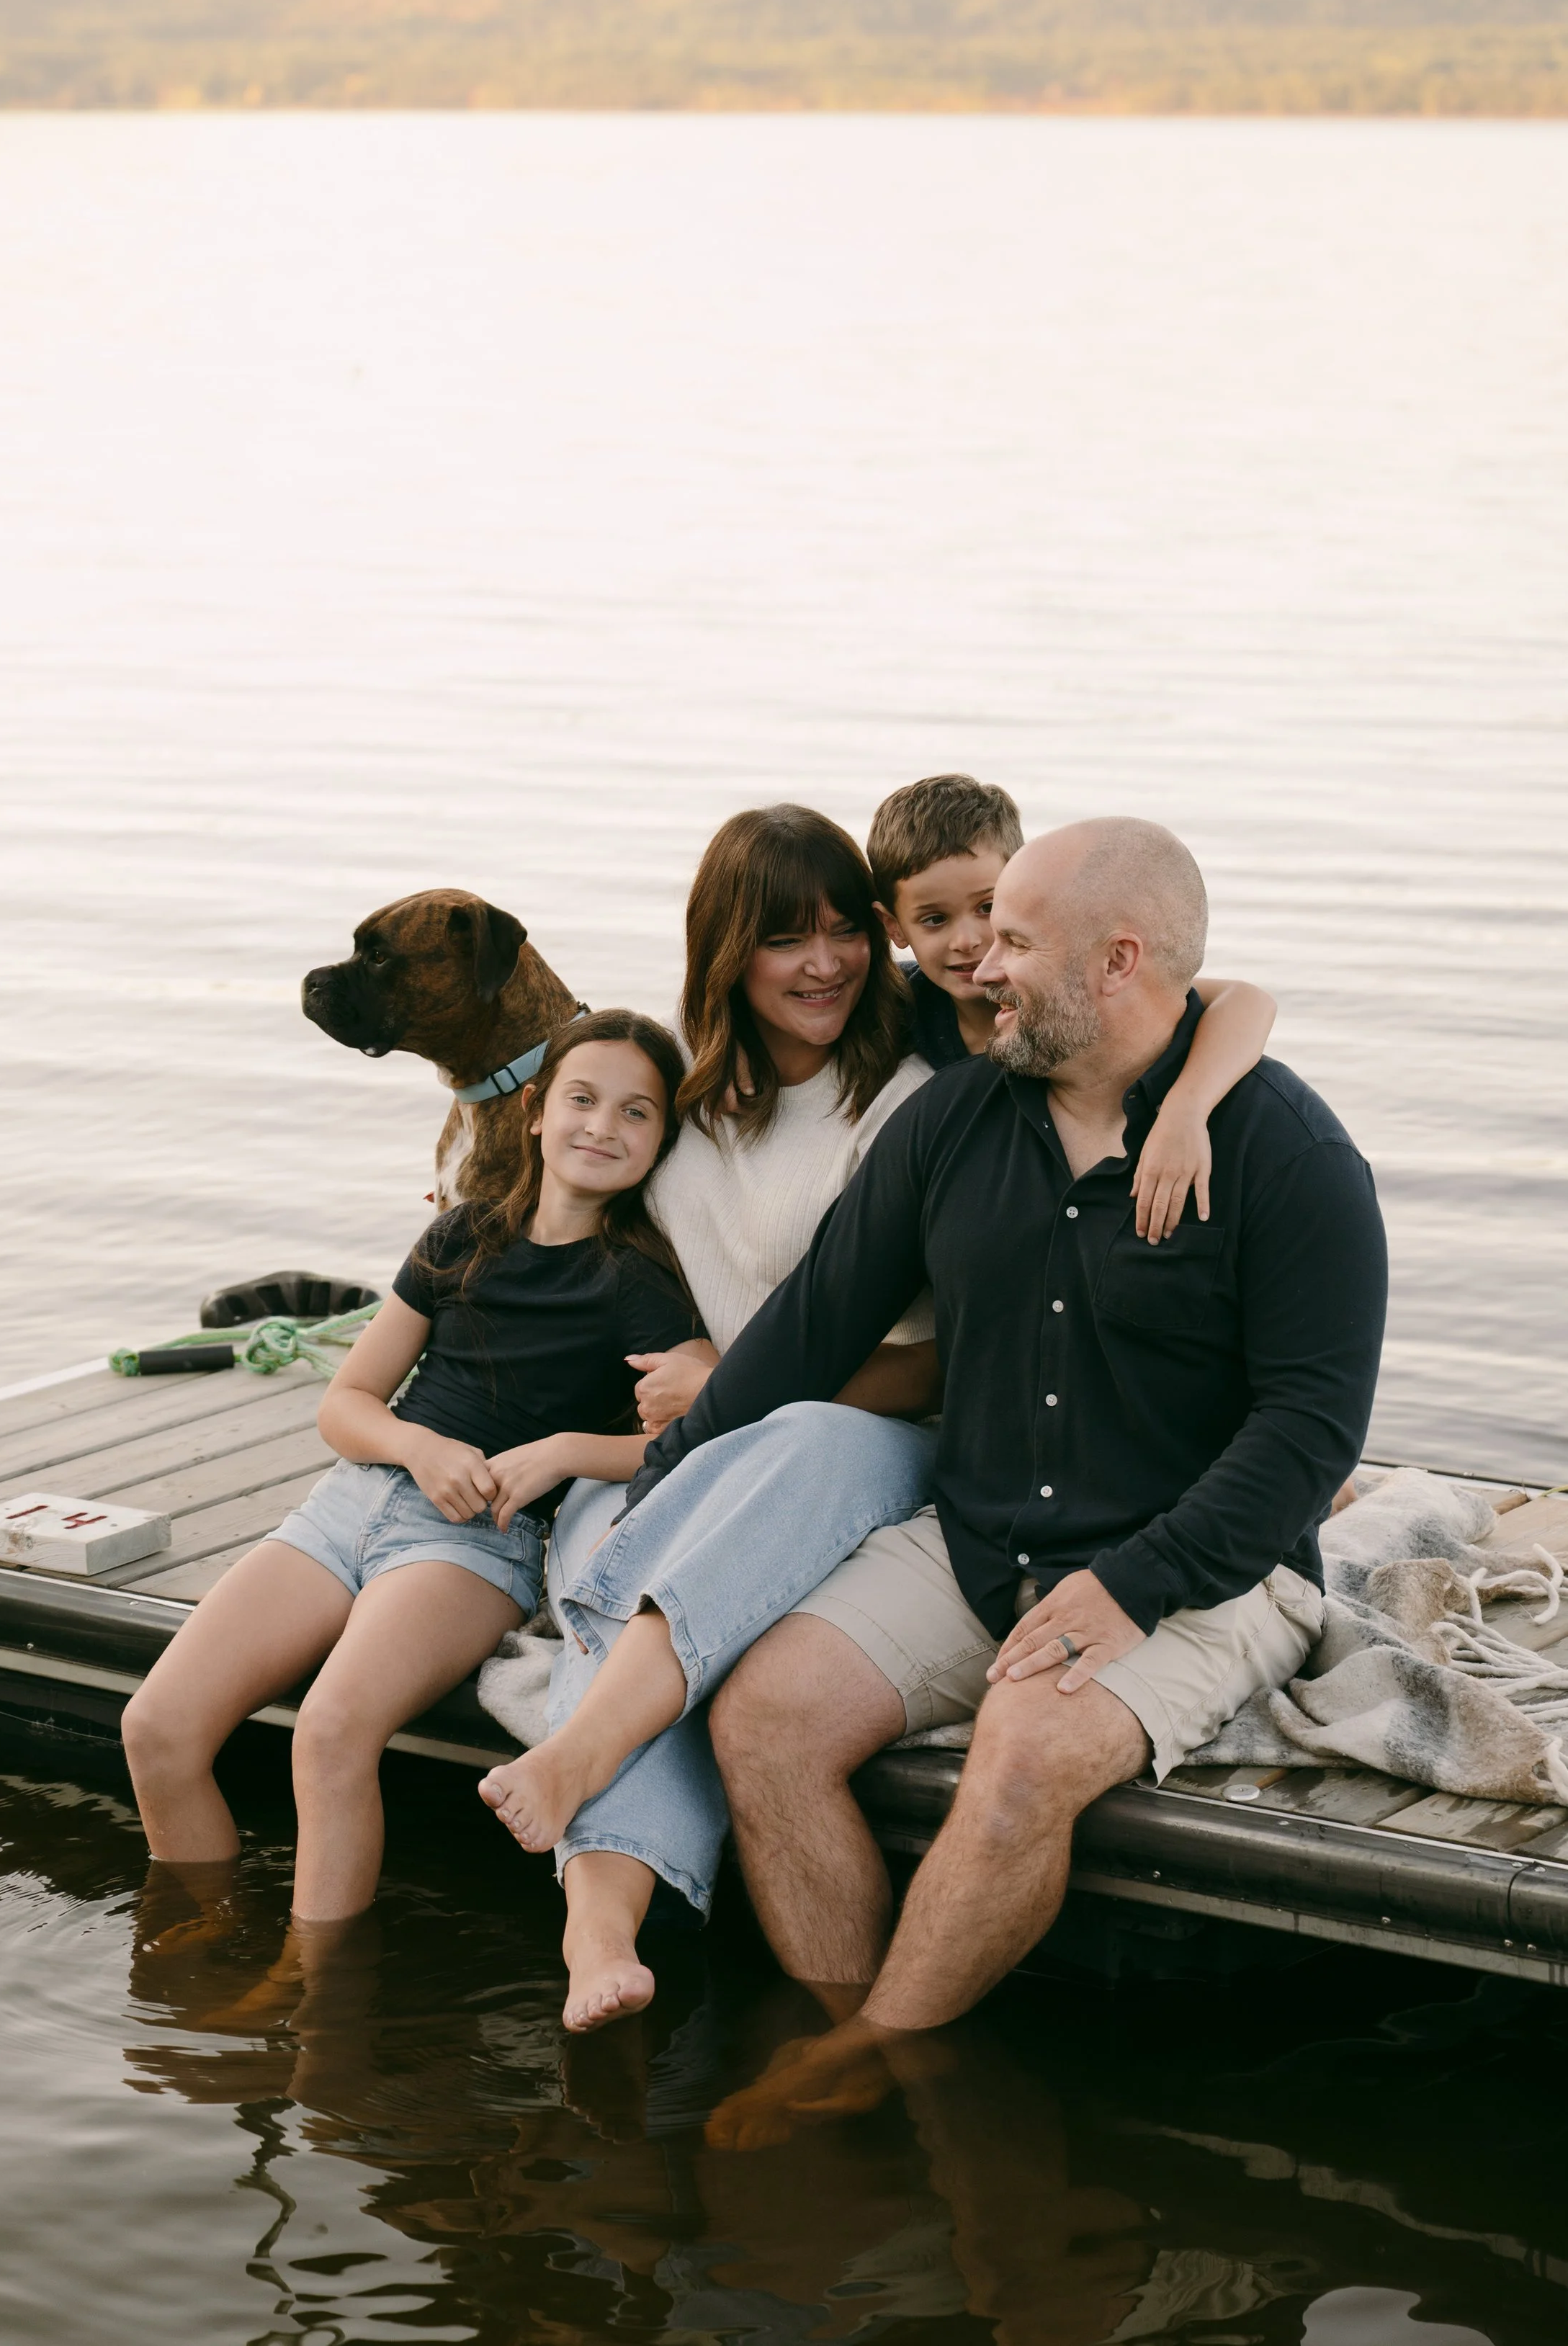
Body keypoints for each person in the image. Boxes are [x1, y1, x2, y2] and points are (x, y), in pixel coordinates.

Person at [478, 798, 1277, 2033]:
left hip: (874, 1438)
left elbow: (1200, 993)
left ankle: (839, 2038)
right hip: (749, 1430)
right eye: (935, 923)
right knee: (635, 1577)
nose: (831, 961)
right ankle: (602, 1918)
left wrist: (1186, 1108)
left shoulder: (940, 1081)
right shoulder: (706, 1097)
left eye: (843, 932)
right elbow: (586, 1217)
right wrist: (650, 1444)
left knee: (779, 1456)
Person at [645, 818, 1387, 2142]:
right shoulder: (958, 1117)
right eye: (979, 937)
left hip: (1204, 1568)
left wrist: (1137, 1585)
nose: (980, 966)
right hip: (979, 1536)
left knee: (1027, 1747)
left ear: (1118, 961)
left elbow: (1309, 1431)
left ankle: (869, 2057)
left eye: (1016, 941)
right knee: (764, 1718)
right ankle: (845, 2015)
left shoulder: (1291, 1157)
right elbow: (811, 1327)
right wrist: (655, 1487)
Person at [120, 1008, 704, 1966]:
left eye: (637, 1113)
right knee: (157, 1726)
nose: (603, 1127)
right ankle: (201, 1944)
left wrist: (563, 1451)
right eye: (584, 1099)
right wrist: (418, 1445)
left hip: (473, 1540)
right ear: (535, 1112)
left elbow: (697, 1434)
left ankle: (312, 1989)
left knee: (331, 1731)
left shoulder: (636, 1281)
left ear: (662, 1140)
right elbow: (347, 1402)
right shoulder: (461, 1236)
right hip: (354, 1501)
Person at [868, 771, 1278, 1243]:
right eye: (935, 919)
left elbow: (1246, 1000)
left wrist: (1186, 1109)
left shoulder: (1072, 999)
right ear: (894, 926)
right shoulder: (900, 1002)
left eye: (988, 907)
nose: (970, 942)